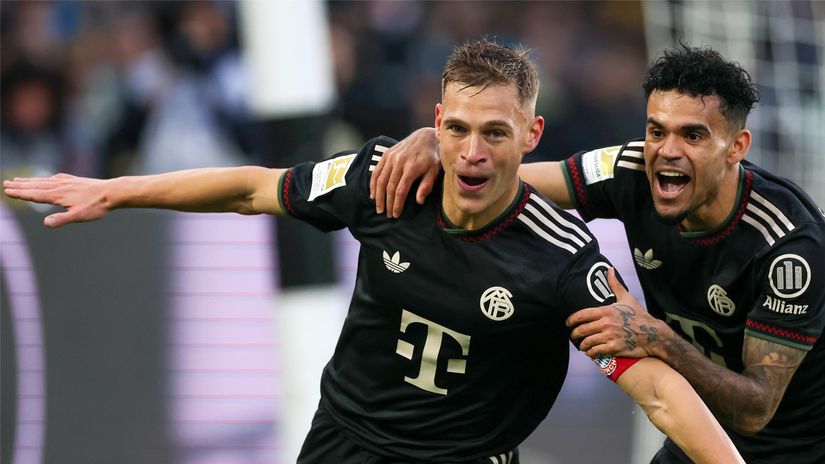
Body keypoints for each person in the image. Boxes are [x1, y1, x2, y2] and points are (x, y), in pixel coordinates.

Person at [4, 40, 742, 464]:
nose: (472, 151)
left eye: (494, 132)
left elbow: (654, 390)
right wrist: (114, 190)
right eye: (456, 128)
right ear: (436, 124)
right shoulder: (384, 181)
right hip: (342, 443)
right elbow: (253, 189)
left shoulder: (561, 259)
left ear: (531, 135)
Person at [369, 44, 825, 463]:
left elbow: (756, 410)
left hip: (796, 448)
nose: (668, 151)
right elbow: (508, 179)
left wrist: (663, 341)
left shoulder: (789, 249)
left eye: (693, 136)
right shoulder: (631, 171)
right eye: (656, 131)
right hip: (702, 433)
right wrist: (437, 144)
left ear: (736, 148)